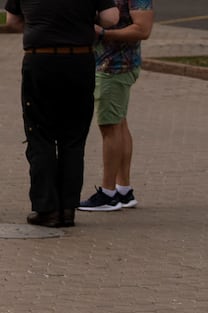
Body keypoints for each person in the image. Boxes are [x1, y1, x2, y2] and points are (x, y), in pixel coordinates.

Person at [6, 0, 119, 227]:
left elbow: (12, 20)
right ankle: (68, 208)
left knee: (40, 135)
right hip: (79, 59)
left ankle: (47, 209)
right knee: (73, 138)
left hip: (40, 58)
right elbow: (111, 18)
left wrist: (40, 26)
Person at [78, 0, 152, 211]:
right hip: (107, 64)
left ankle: (108, 193)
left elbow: (143, 29)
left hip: (113, 68)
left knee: (109, 127)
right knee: (119, 123)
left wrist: (103, 34)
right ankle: (123, 190)